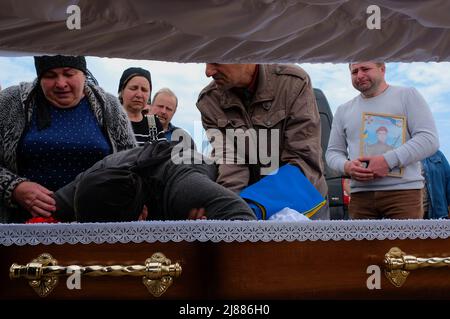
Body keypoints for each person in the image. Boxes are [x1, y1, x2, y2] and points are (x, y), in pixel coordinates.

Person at [0, 55, 137, 223]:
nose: (61, 83)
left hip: (98, 225)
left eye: (69, 74)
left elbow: (132, 162)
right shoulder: (10, 102)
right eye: (50, 76)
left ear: (83, 74)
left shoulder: (109, 106)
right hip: (23, 226)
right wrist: (13, 187)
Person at [196, 63, 328, 220]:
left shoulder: (293, 83)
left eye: (215, 61)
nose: (208, 72)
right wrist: (227, 210)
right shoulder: (209, 101)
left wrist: (247, 208)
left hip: (303, 206)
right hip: (250, 207)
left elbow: (304, 161)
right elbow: (230, 163)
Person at [326, 61, 439, 219]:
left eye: (365, 69)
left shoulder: (407, 95)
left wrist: (387, 161)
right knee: (362, 244)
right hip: (360, 196)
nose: (359, 75)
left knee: (403, 245)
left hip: (403, 194)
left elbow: (429, 139)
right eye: (354, 71)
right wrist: (347, 166)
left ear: (382, 69)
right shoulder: (343, 110)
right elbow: (332, 153)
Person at [53, 140, 256, 222]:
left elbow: (243, 219)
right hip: (140, 157)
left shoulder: (186, 189)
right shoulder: (92, 180)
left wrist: (204, 237)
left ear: (144, 213)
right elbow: (48, 209)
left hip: (183, 162)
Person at [118, 67, 164, 145]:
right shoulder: (109, 120)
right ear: (122, 91)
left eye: (144, 90)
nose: (139, 95)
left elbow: (162, 154)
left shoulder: (154, 124)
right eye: (133, 88)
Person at [421, 150, 450, 219]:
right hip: (410, 213)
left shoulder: (437, 154)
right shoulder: (402, 152)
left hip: (437, 214)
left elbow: (448, 179)